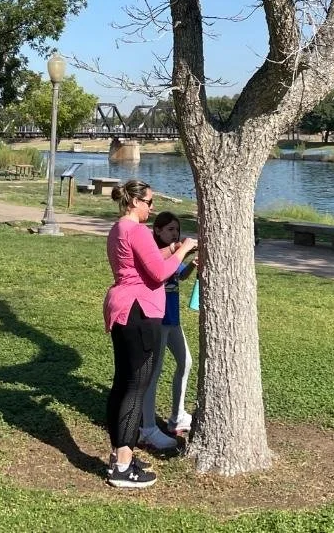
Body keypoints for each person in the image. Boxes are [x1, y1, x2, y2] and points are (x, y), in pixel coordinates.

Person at [103, 179, 196, 490]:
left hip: (122, 307)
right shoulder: (137, 230)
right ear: (134, 202)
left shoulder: (118, 229)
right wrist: (183, 249)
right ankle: (123, 467)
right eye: (149, 202)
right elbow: (159, 272)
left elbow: (147, 263)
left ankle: (120, 456)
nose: (152, 208)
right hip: (139, 311)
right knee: (135, 388)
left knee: (122, 385)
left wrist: (172, 250)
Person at [140, 211, 195, 449]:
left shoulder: (175, 253)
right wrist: (178, 251)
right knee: (155, 371)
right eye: (170, 229)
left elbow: (180, 275)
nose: (175, 234)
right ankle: (147, 426)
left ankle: (177, 416)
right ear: (158, 231)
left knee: (186, 362)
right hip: (158, 320)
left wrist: (192, 265)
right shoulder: (156, 253)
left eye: (177, 230)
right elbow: (157, 275)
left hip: (173, 320)